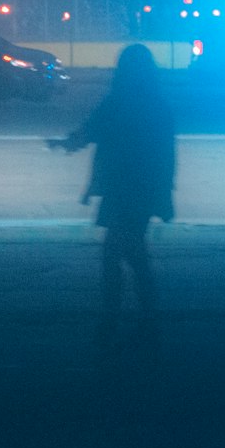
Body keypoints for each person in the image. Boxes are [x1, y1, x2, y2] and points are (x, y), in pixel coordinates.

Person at [53, 43, 176, 347]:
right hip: (142, 189)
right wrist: (164, 194)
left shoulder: (117, 101)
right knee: (132, 252)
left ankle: (116, 319)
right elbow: (166, 156)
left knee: (117, 253)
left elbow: (91, 130)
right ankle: (143, 318)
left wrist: (67, 143)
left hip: (120, 189)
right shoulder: (156, 106)